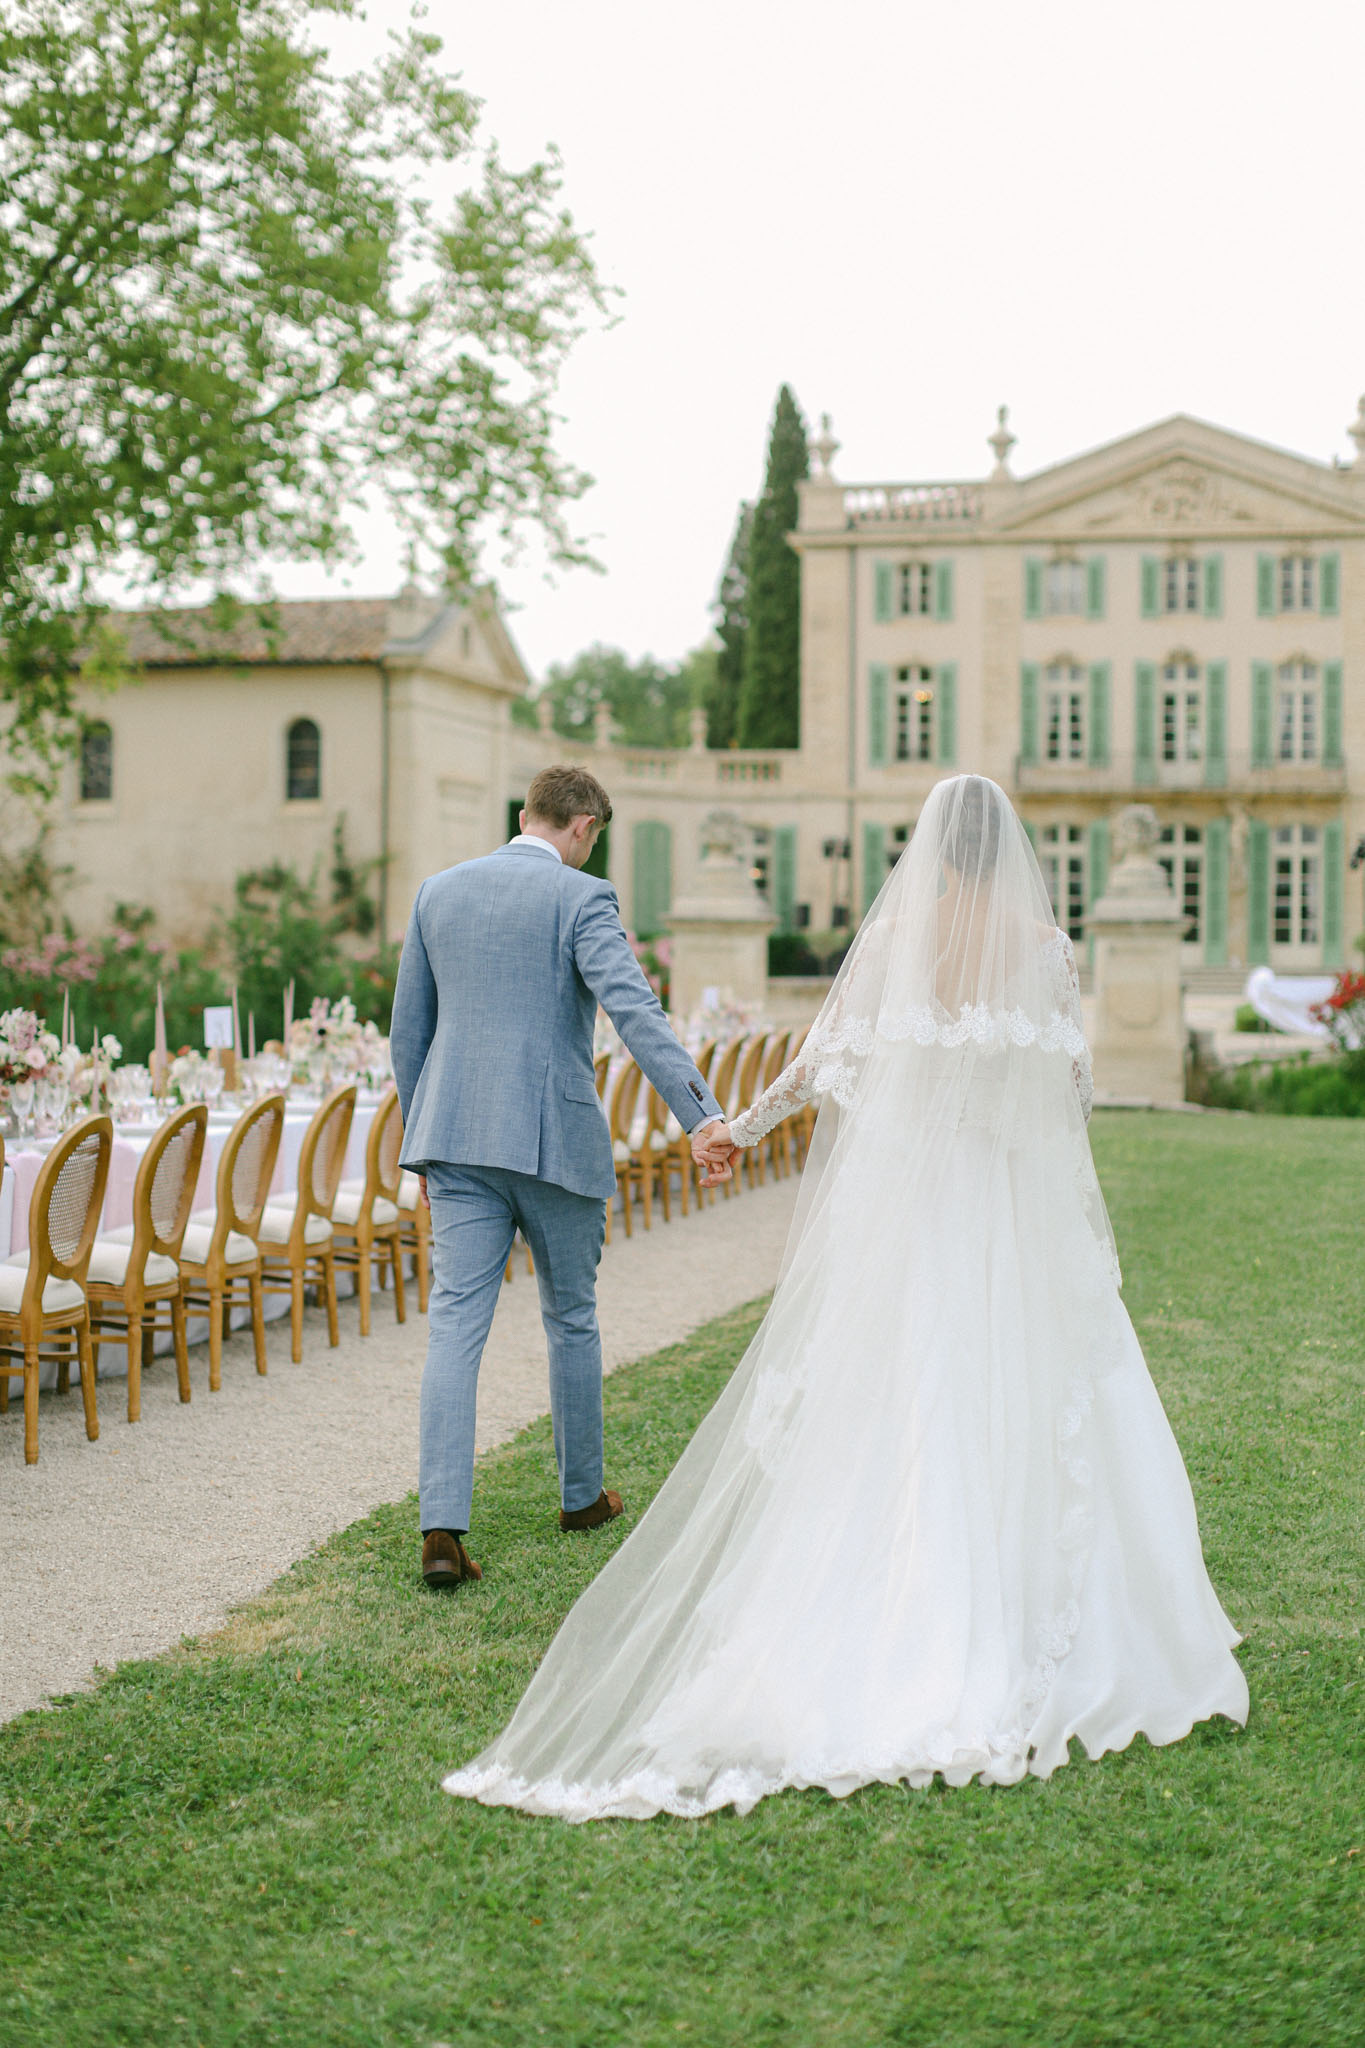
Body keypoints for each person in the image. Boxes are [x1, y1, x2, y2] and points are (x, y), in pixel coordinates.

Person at [442, 773, 1248, 1818]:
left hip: (907, 1208)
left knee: (897, 1394)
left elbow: (821, 1063)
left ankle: (887, 1602)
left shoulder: (897, 939)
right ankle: (1025, 1607)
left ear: (928, 850)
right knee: (1016, 1387)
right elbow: (1072, 1092)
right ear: (1002, 851)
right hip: (997, 1202)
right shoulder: (1045, 946)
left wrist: (737, 1126)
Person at [390, 765, 730, 1590]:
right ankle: (581, 1497)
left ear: (523, 815)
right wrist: (701, 1114)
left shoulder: (438, 892)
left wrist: (420, 1144)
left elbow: (409, 1033)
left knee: (453, 1329)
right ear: (583, 828)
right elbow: (634, 1010)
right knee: (570, 1317)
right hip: (553, 1144)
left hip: (456, 1141)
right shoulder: (583, 899)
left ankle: (442, 1527)